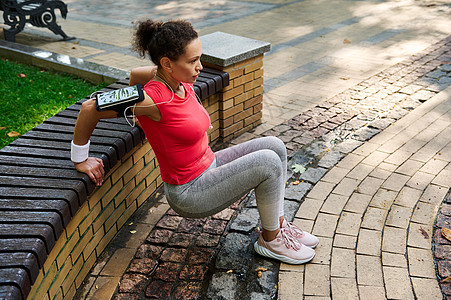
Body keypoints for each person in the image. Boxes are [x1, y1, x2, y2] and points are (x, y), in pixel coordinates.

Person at [71, 19, 319, 264]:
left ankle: (278, 225)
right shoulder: (156, 98)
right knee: (267, 162)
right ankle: (271, 240)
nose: (200, 66)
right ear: (167, 64)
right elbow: (90, 107)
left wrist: (137, 115)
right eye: (193, 61)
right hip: (190, 191)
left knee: (274, 145)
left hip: (209, 165)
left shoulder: (175, 79)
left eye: (199, 58)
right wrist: (80, 158)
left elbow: (137, 74)